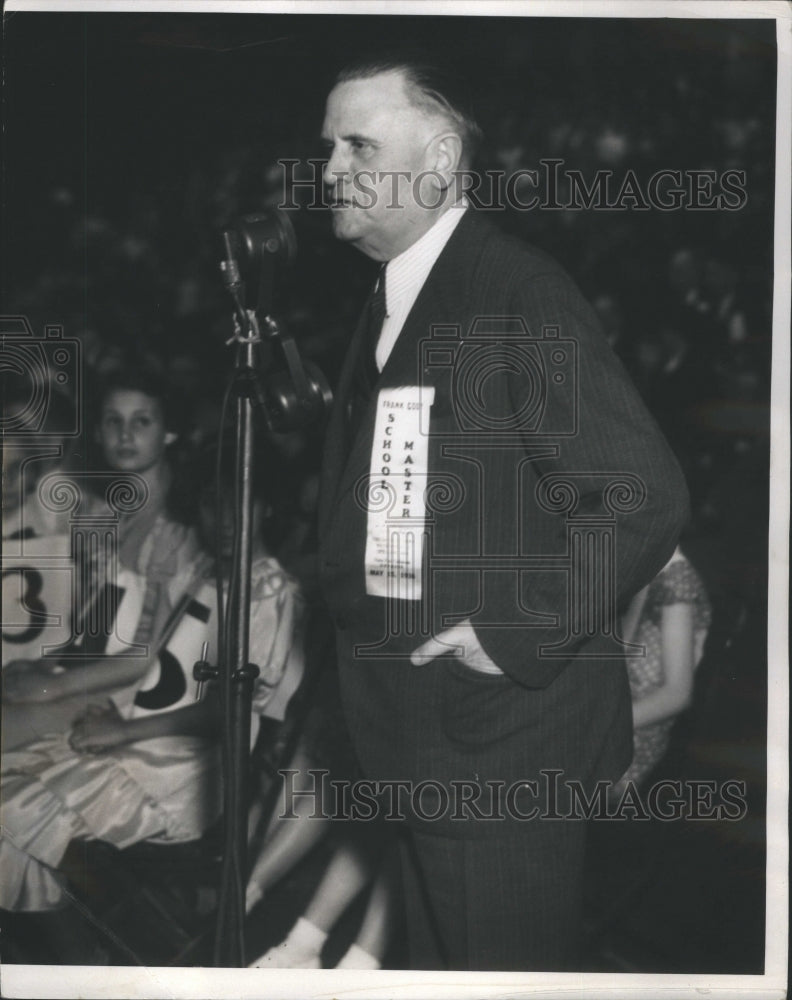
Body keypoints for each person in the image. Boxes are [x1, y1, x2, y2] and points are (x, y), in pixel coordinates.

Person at [313, 54, 690, 971]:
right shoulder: (396, 297)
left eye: (359, 145)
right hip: (426, 731)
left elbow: (642, 493)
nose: (328, 171)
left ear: (439, 161)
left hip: (500, 744)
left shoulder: (516, 291)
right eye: (326, 148)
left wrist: (511, 631)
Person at [0, 445, 301, 915]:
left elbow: (230, 711)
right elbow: (163, 662)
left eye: (237, 502)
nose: (221, 518)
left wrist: (124, 730)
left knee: (15, 813)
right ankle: (65, 936)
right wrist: (119, 712)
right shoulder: (209, 571)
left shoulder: (268, 590)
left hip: (192, 769)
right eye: (208, 503)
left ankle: (76, 947)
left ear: (267, 507)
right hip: (151, 736)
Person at [612, 546, 712, 796]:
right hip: (609, 712)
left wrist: (603, 724)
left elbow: (677, 695)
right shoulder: (643, 563)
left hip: (630, 743)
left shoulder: (676, 580)